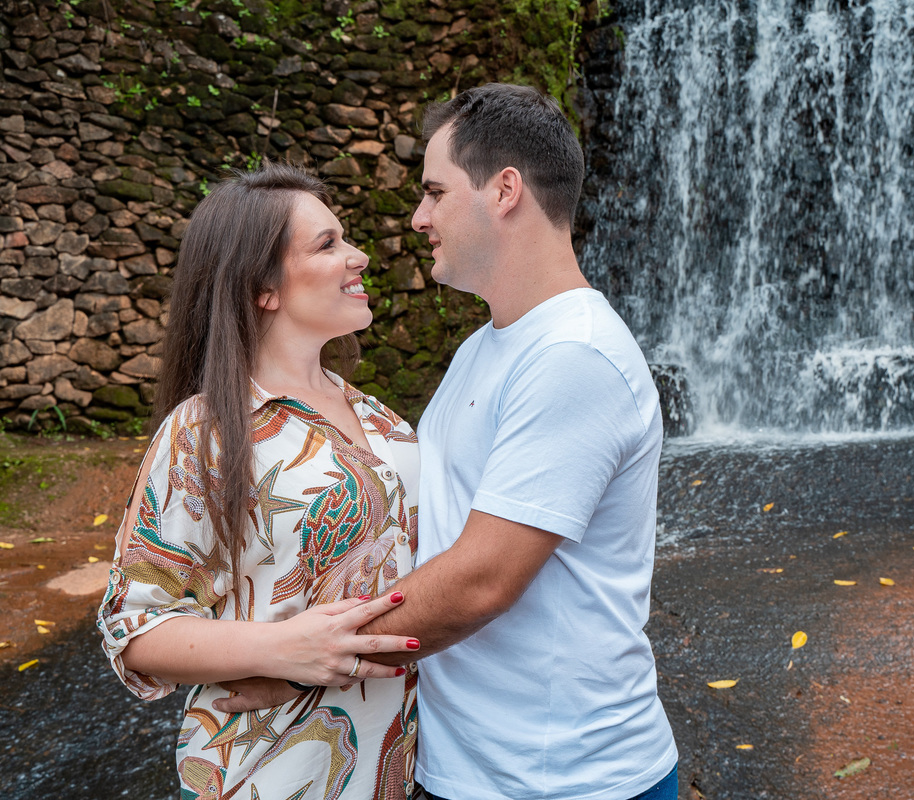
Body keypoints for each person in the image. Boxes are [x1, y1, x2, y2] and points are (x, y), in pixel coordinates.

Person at [221, 83, 680, 799]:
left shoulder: (574, 356)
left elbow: (481, 579)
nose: (417, 217)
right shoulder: (487, 347)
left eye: (434, 192)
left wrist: (293, 660)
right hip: (468, 768)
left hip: (566, 781)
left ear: (504, 191)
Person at [97, 163, 423, 800]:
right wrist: (281, 650)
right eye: (328, 244)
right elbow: (135, 627)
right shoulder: (207, 429)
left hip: (403, 768)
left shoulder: (389, 426)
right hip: (266, 773)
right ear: (263, 287)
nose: (358, 256)